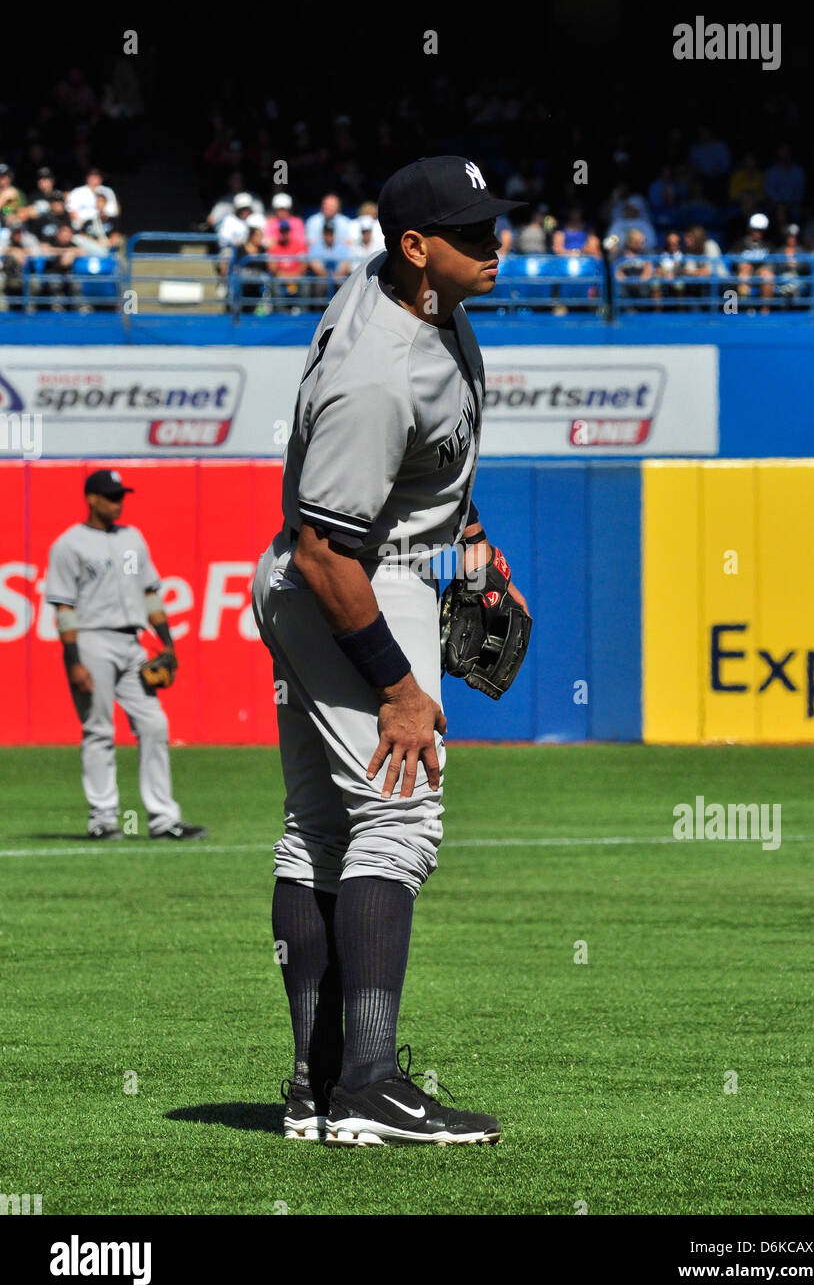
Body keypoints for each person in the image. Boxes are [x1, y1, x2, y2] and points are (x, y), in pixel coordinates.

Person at [251, 155, 529, 1146]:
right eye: (473, 232)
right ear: (415, 247)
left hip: (381, 559)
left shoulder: (419, 300)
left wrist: (473, 547)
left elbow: (426, 472)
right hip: (352, 578)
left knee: (324, 826)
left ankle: (317, 1087)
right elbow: (327, 550)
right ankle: (365, 1085)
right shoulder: (376, 368)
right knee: (398, 820)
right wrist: (401, 688)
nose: (496, 245)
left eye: (495, 225)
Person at [44, 470, 207, 842]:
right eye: (110, 496)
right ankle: (102, 817)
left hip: (133, 643)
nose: (117, 502)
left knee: (154, 725)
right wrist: (74, 661)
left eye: (120, 495)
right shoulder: (69, 544)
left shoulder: (132, 539)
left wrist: (167, 643)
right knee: (98, 729)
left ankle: (163, 820)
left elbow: (149, 594)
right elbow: (64, 607)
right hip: (90, 640)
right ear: (92, 498)